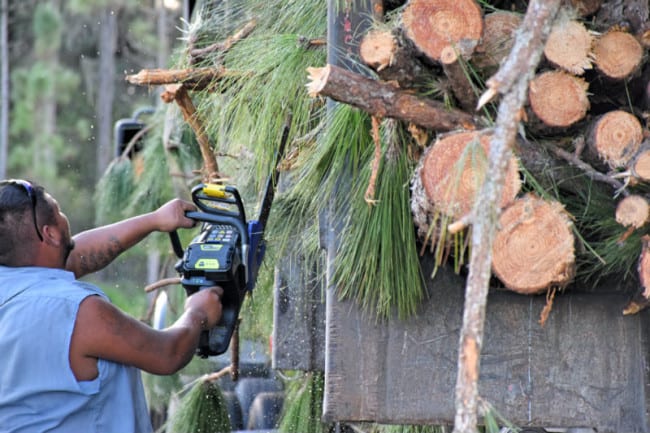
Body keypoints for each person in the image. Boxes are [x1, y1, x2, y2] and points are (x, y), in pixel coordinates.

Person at [0, 179, 224, 433]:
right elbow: (167, 354)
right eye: (59, 211)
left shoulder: (14, 281)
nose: (65, 219)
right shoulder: (78, 311)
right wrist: (198, 313)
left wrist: (155, 220)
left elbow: (76, 254)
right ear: (49, 234)